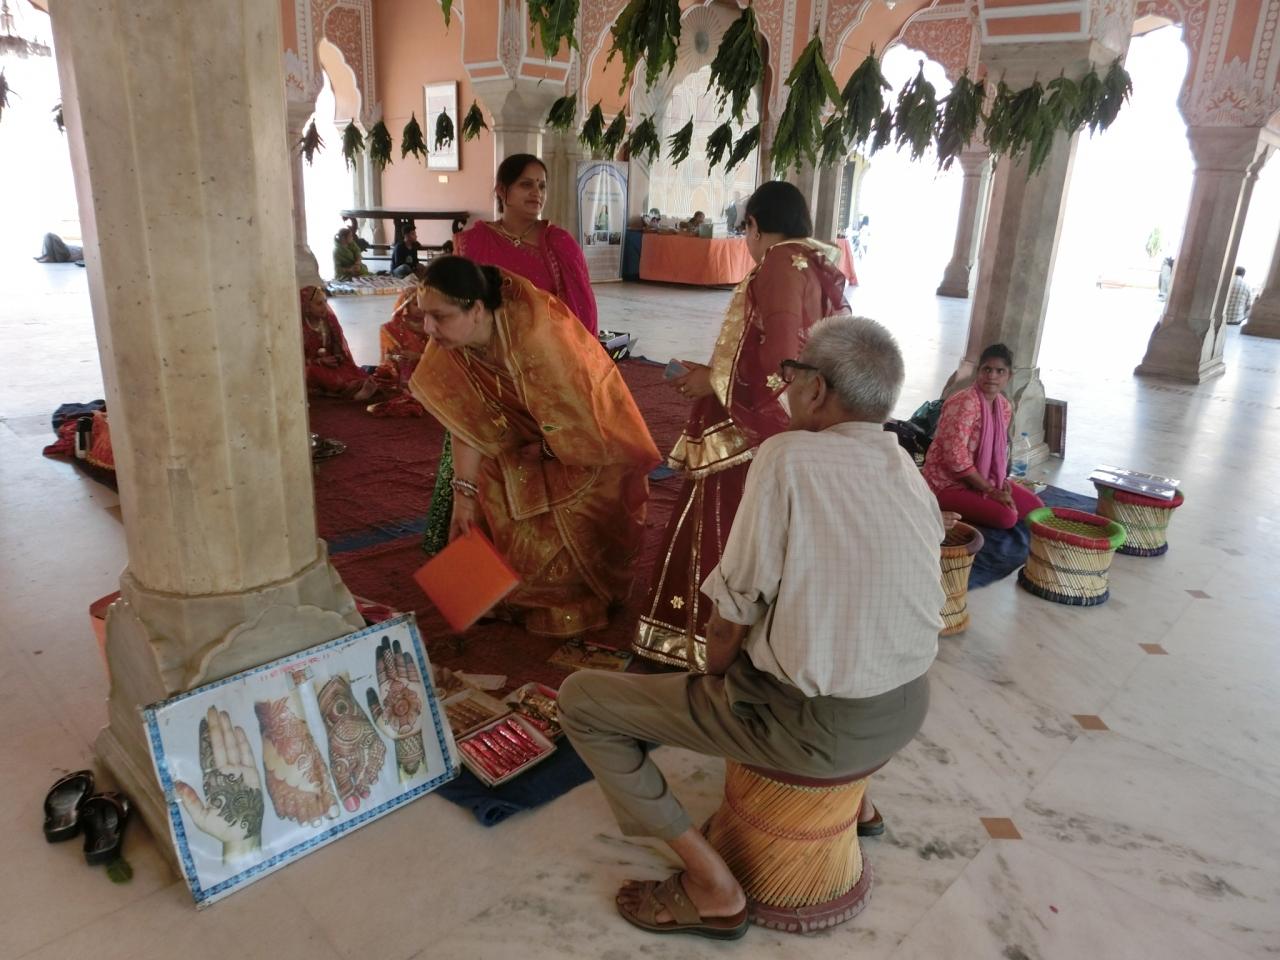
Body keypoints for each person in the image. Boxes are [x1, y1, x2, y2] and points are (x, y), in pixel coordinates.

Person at [559, 316, 943, 940]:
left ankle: (710, 884)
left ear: (815, 389)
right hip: (907, 709)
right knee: (838, 627)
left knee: (583, 701)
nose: (786, 386)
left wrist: (715, 679)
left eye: (792, 373)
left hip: (817, 729)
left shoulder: (787, 456)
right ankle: (860, 805)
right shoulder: (904, 466)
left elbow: (730, 615)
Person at [632, 180, 848, 671]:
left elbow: (781, 360)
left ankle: (700, 638)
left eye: (746, 229)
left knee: (724, 522)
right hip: (798, 418)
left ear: (753, 226)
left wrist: (714, 381)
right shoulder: (818, 264)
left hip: (751, 423)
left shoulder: (778, 262)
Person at [407, 256, 660, 636]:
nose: (428, 328)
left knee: (543, 498)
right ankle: (494, 593)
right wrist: (463, 495)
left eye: (439, 317)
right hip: (520, 438)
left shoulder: (536, 336)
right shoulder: (452, 341)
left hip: (589, 445)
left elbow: (584, 422)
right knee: (492, 478)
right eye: (424, 315)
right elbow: (466, 421)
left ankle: (564, 599)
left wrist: (546, 450)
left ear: (476, 310)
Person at [422, 153, 600, 554]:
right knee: (480, 448)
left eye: (541, 185)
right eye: (526, 184)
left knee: (538, 461)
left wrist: (576, 368)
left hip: (543, 367)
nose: (537, 193)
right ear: (502, 191)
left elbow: (581, 312)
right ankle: (474, 548)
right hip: (485, 364)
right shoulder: (475, 242)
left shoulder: (558, 243)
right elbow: (459, 304)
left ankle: (538, 552)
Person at [922, 343, 1043, 529]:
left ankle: (979, 501)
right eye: (987, 369)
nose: (992, 376)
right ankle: (945, 503)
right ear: (978, 372)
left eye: (1000, 371)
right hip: (947, 483)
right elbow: (955, 457)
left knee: (1035, 508)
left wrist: (1000, 482)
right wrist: (990, 490)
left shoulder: (1003, 406)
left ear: (1009, 376)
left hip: (984, 479)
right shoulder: (964, 403)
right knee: (1007, 517)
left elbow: (998, 452)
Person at [300, 286, 379, 400]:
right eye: (319, 304)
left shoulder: (329, 320)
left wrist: (337, 357)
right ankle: (354, 394)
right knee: (315, 372)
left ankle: (358, 387)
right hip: (312, 366)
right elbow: (295, 360)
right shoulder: (300, 327)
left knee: (348, 368)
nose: (325, 306)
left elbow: (338, 347)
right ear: (307, 307)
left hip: (330, 363)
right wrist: (319, 361)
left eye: (325, 302)